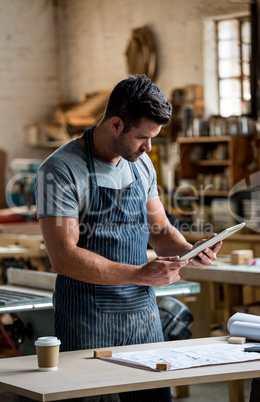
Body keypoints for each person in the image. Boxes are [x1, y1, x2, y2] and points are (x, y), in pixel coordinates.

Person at [35, 74, 221, 402]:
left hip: (143, 320)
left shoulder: (140, 164)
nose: (149, 148)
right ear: (117, 124)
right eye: (143, 138)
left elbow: (160, 230)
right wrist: (139, 274)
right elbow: (63, 256)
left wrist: (191, 250)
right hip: (87, 323)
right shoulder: (61, 170)